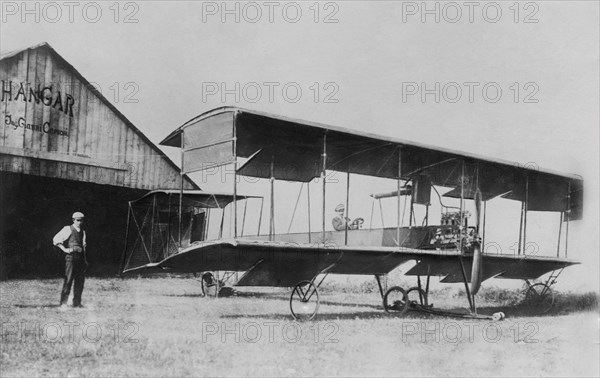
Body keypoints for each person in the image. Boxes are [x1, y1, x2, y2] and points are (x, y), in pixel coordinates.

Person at [53, 212, 89, 308]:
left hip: (80, 258)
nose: (79, 222)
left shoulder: (83, 232)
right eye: (77, 220)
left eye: (81, 220)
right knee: (68, 279)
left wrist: (85, 260)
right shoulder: (67, 229)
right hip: (71, 258)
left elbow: (84, 246)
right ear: (73, 220)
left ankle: (77, 303)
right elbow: (56, 239)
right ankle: (63, 302)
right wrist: (65, 249)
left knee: (80, 281)